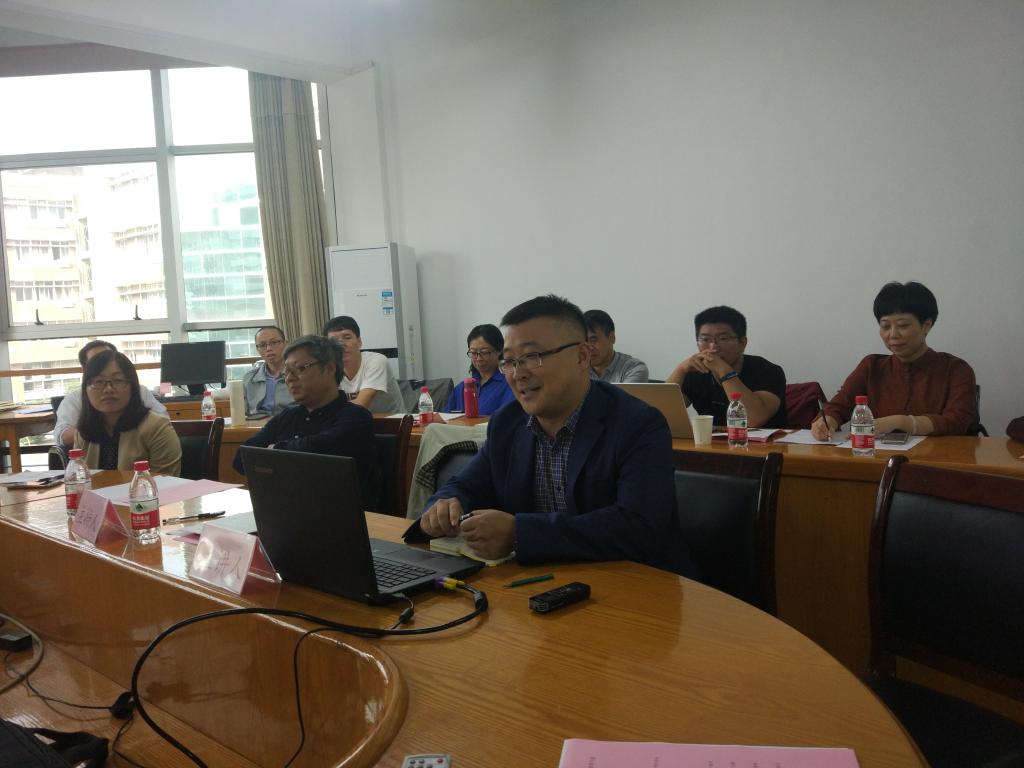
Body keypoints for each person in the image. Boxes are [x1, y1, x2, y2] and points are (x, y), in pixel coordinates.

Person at [406, 294, 695, 576]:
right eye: (509, 361)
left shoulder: (638, 423)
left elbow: (638, 527)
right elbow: (466, 484)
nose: (518, 373)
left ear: (582, 356)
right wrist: (444, 505)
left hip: (634, 587)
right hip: (540, 585)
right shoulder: (507, 423)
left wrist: (519, 533)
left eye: (532, 357)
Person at [812, 282, 976, 439]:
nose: (893, 334)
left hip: (939, 457)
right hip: (878, 456)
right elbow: (839, 406)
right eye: (885, 326)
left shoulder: (956, 369)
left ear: (926, 325)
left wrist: (901, 422)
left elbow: (957, 422)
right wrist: (827, 422)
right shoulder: (872, 366)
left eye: (903, 325)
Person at [233, 335, 378, 501]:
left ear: (329, 368)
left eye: (299, 368)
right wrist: (282, 454)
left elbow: (316, 452)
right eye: (287, 371)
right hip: (286, 509)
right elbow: (241, 459)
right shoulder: (286, 417)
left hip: (343, 512)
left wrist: (273, 450)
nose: (289, 378)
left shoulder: (357, 418)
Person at [666, 306, 787, 428]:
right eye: (705, 339)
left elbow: (752, 420)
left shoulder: (768, 371)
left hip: (765, 440)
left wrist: (723, 370)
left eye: (723, 338)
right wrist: (680, 369)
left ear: (742, 343)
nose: (713, 347)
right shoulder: (696, 372)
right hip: (711, 440)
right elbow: (661, 413)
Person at [74, 350, 181, 476]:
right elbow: (79, 481)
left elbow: (166, 482)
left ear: (133, 386)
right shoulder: (84, 431)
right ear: (85, 389)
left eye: (118, 380)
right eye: (98, 381)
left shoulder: (157, 427)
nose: (108, 389)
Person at [55, 340, 168, 448]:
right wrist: (102, 432)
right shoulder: (74, 399)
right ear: (86, 371)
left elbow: (163, 420)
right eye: (97, 362)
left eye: (108, 357)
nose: (108, 389)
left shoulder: (139, 390)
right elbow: (62, 435)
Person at [322, 316, 405, 414]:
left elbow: (360, 406)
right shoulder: (329, 369)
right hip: (351, 421)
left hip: (391, 422)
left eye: (347, 338)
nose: (341, 345)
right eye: (334, 341)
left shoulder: (376, 361)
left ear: (359, 342)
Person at [446, 324, 516, 415]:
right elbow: (444, 418)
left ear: (499, 351)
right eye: (473, 353)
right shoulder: (461, 388)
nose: (478, 358)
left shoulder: (509, 384)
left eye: (484, 352)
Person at [583, 309, 649, 383]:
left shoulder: (634, 368)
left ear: (612, 338)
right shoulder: (578, 368)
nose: (588, 348)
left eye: (593, 340)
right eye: (584, 342)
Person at [242, 325, 294, 417]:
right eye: (262, 345)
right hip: (257, 424)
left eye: (274, 343)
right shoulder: (249, 378)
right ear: (257, 349)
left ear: (285, 344)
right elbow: (243, 413)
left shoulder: (299, 374)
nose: (269, 349)